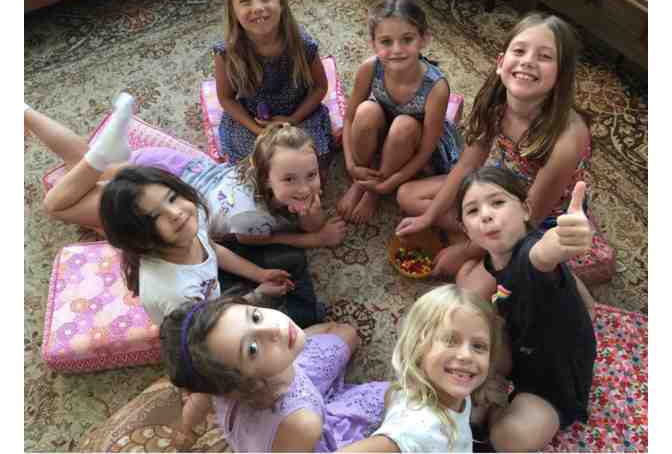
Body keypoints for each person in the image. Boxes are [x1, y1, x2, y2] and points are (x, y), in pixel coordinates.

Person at [24, 95, 337, 328]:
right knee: (58, 206)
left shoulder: (279, 176)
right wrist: (312, 240)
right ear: (266, 178)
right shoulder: (248, 215)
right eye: (290, 180)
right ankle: (100, 158)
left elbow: (312, 219)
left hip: (174, 171)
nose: (304, 187)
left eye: (311, 175)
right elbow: (252, 241)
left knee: (83, 164)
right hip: (160, 187)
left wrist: (311, 215)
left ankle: (29, 115)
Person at [395, 12, 595, 303]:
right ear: (501, 63)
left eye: (544, 56)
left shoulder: (568, 138)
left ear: (561, 76)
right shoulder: (496, 102)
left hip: (534, 218)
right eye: (520, 51)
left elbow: (529, 217)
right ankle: (481, 242)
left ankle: (484, 248)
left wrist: (464, 252)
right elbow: (468, 164)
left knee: (469, 291)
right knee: (407, 196)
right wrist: (429, 217)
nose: (528, 61)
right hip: (496, 187)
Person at [455, 166, 596, 451]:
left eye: (498, 202)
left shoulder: (532, 256)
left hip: (555, 380)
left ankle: (492, 408)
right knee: (462, 324)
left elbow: (543, 254)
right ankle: (489, 393)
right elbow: (584, 298)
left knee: (510, 437)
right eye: (473, 210)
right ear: (465, 229)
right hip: (521, 348)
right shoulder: (495, 262)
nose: (486, 214)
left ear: (526, 209)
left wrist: (564, 239)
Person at [160, 296, 389, 452]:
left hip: (286, 374)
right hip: (299, 429)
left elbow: (196, 404)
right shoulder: (302, 423)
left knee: (347, 333)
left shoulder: (213, 377)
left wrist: (185, 431)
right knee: (394, 395)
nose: (275, 329)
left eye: (255, 317)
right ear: (239, 382)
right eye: (252, 349)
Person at [337, 0, 461, 224]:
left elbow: (426, 150)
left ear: (424, 39)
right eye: (386, 41)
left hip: (413, 140)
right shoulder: (369, 68)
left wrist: (388, 184)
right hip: (385, 127)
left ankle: (373, 191)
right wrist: (351, 165)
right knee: (365, 111)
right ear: (373, 44)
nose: (397, 50)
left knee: (404, 125)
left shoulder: (437, 87)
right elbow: (350, 118)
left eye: (407, 39)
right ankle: (361, 181)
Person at [338, 284, 503, 453]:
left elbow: (392, 395)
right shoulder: (417, 431)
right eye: (450, 340)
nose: (467, 355)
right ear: (417, 347)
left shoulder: (450, 390)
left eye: (478, 346)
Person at [213, 0, 334, 175]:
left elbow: (320, 87)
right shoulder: (227, 52)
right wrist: (258, 130)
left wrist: (292, 120)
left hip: (297, 114)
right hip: (253, 120)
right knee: (253, 165)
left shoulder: (302, 43)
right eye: (245, 1)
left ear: (281, 1)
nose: (258, 7)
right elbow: (226, 98)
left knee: (310, 155)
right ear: (233, 10)